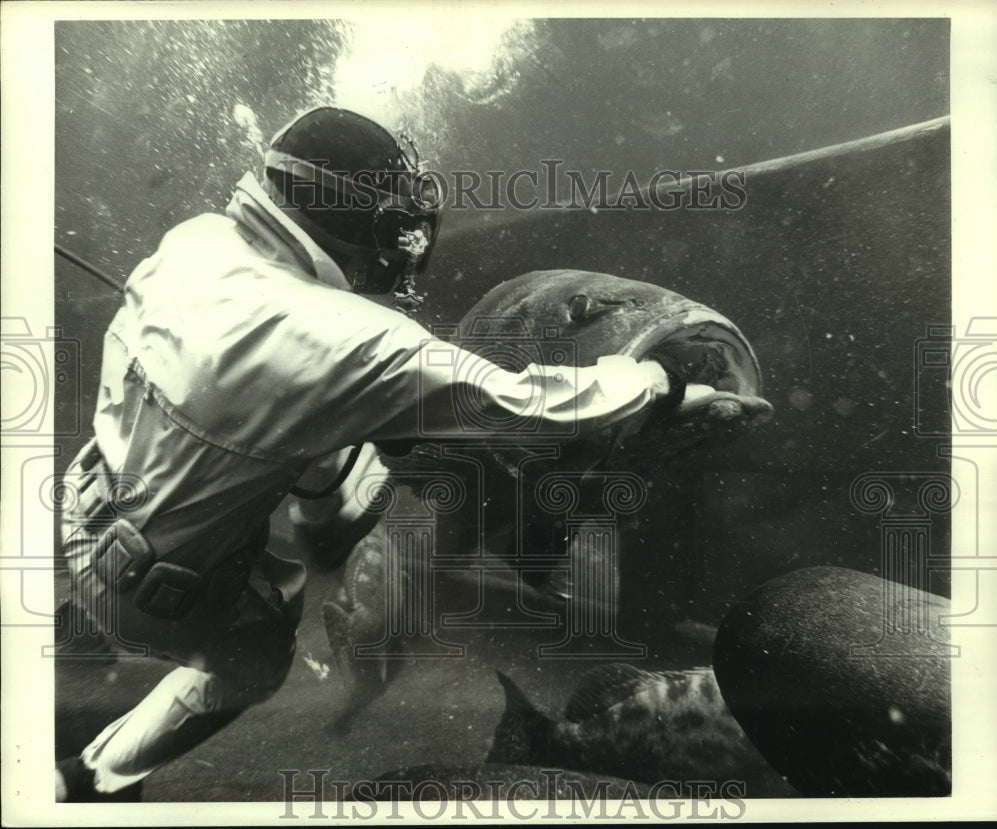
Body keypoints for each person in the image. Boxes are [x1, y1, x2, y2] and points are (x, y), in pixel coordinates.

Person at [55, 106, 680, 801]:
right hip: (155, 595)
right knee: (254, 664)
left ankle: (84, 625)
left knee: (296, 417)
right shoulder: (358, 338)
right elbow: (531, 402)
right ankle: (93, 778)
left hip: (81, 508)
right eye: (390, 221)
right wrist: (659, 379)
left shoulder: (195, 238)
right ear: (346, 216)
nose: (403, 240)